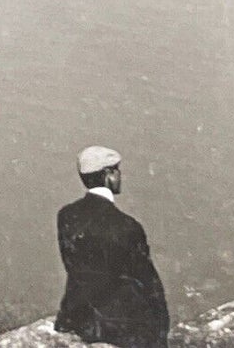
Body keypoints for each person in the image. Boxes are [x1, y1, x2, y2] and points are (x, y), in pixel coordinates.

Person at [54, 146, 170, 348]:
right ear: (108, 175)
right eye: (116, 170)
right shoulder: (127, 226)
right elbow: (147, 281)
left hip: (78, 317)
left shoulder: (67, 216)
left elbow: (73, 266)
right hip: (120, 325)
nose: (120, 175)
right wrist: (161, 323)